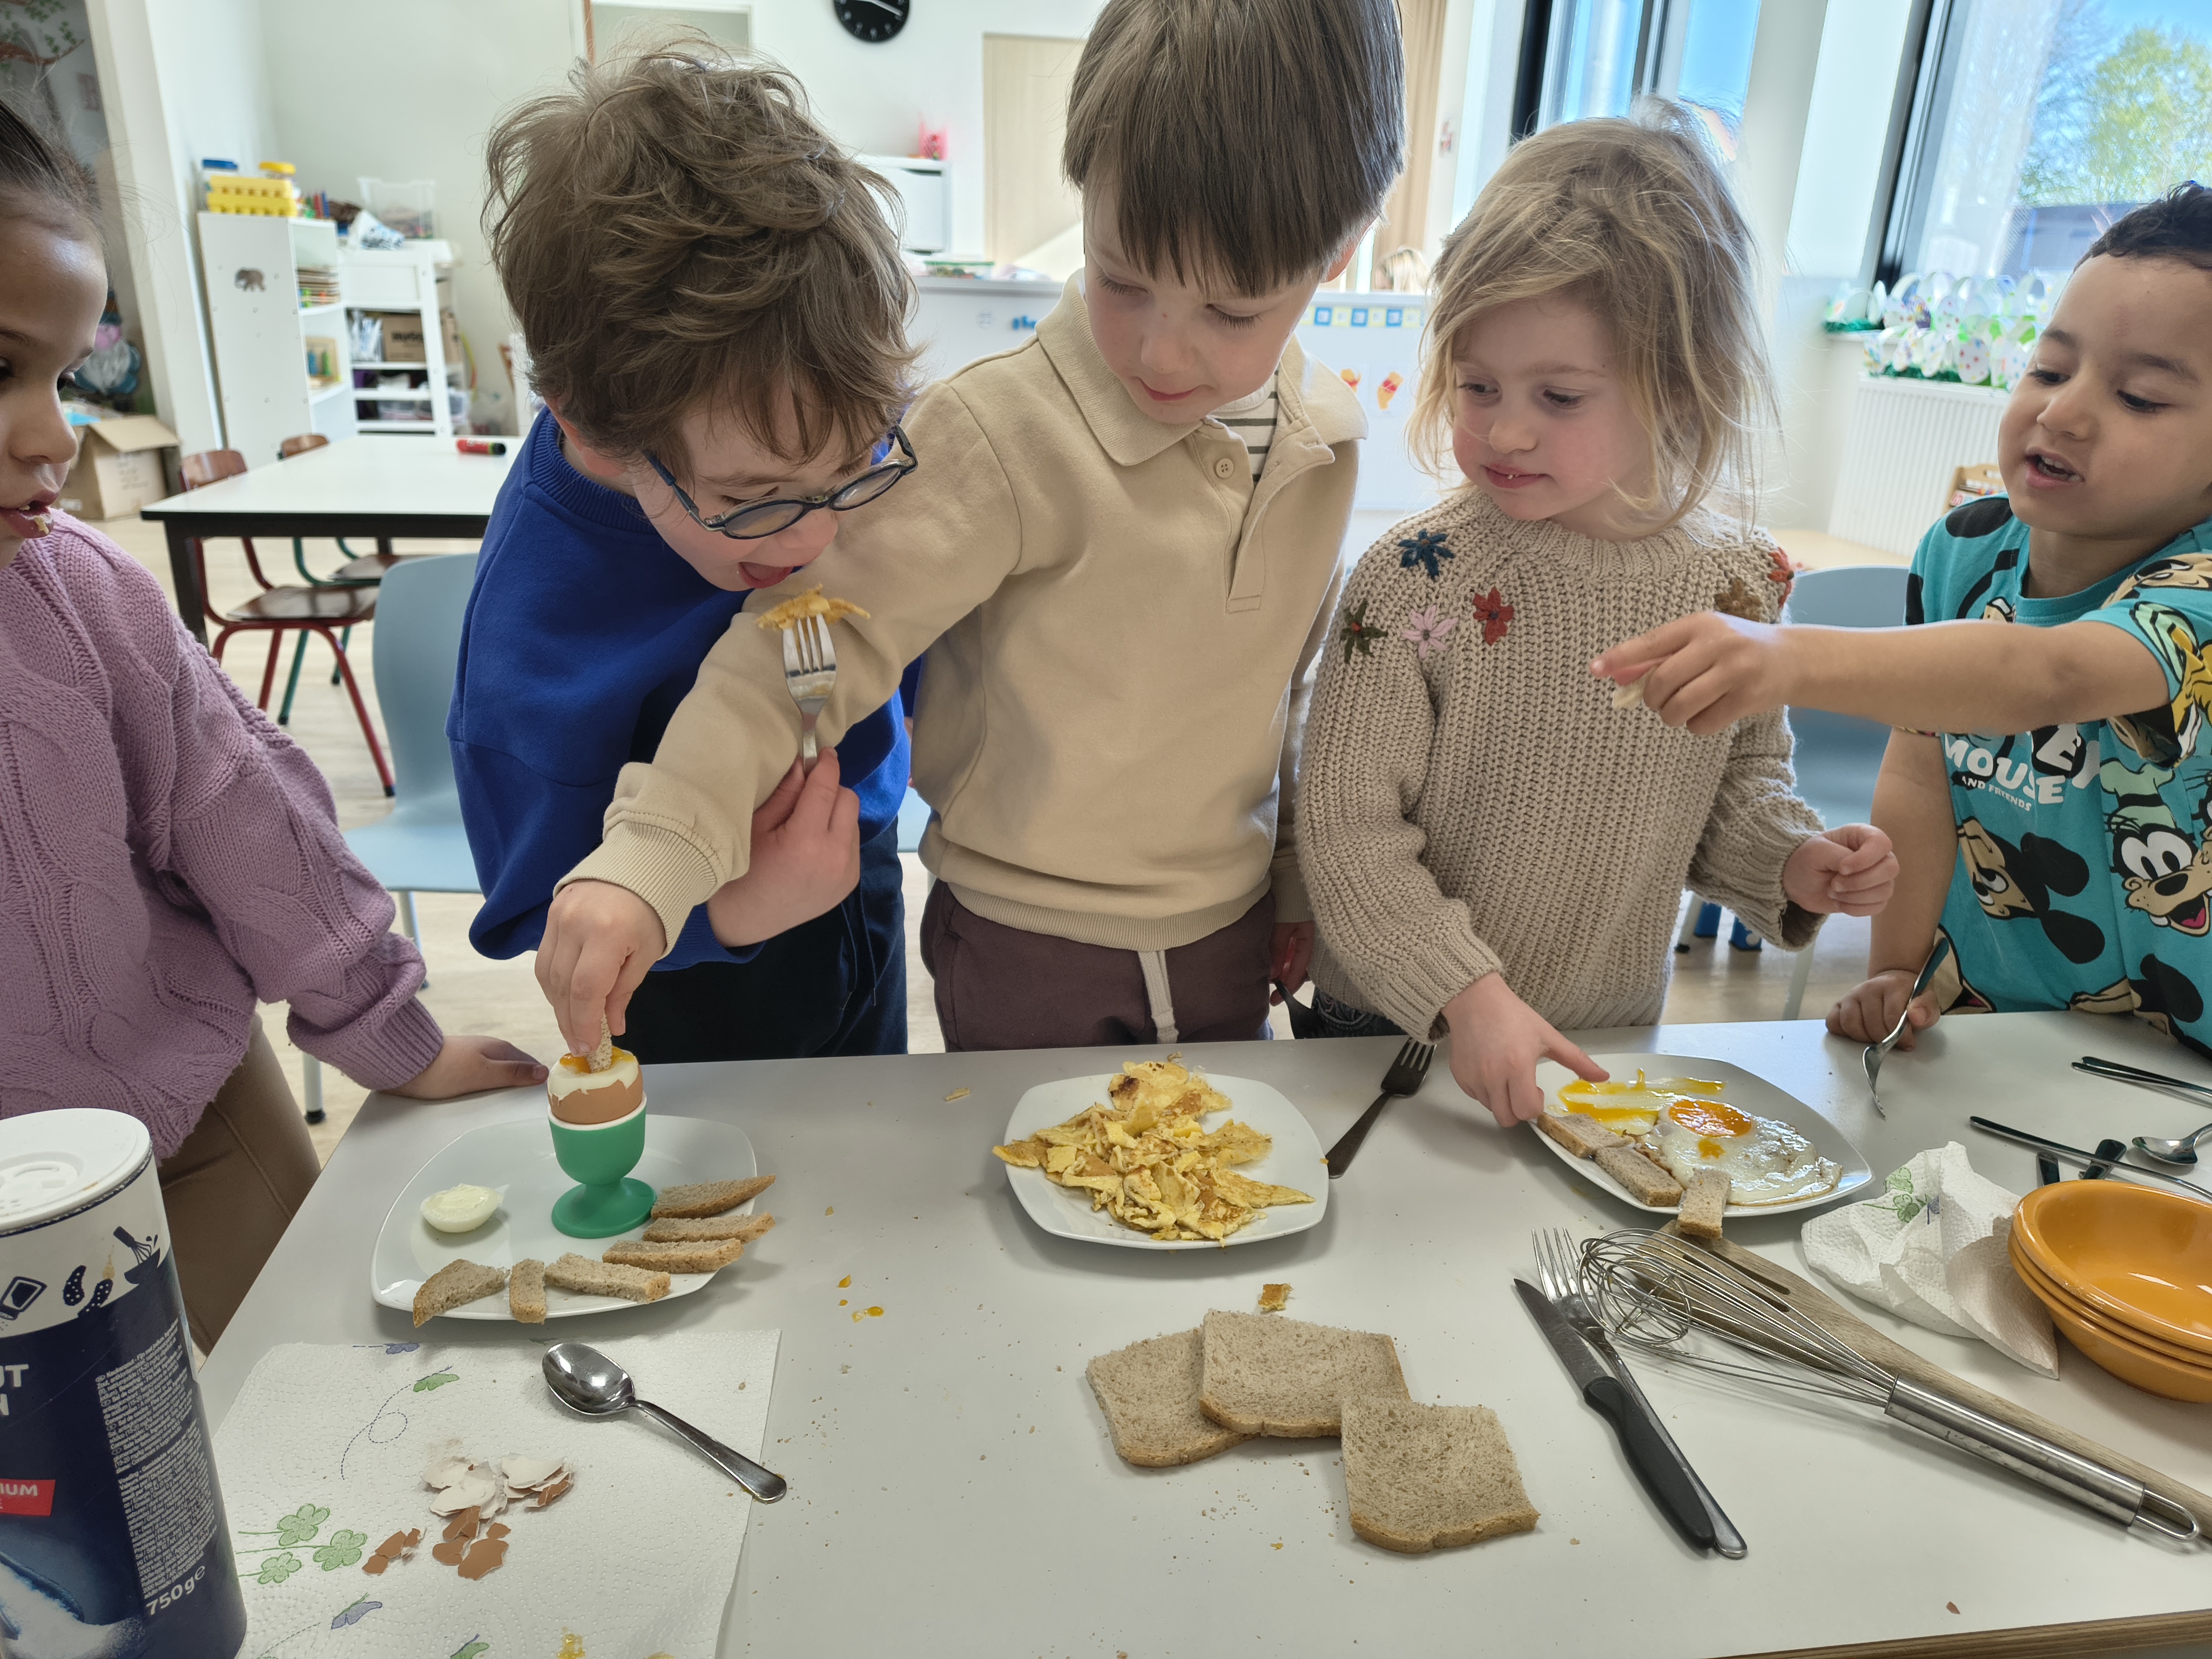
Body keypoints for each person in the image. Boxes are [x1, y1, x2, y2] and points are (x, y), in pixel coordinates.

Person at [532, 0, 1407, 1055]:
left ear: (1340, 252)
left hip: (1229, 935)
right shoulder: (996, 433)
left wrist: (1296, 873)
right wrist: (658, 851)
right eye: (1121, 280)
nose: (1162, 354)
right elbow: (804, 639)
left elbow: (1296, 690)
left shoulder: (1326, 447)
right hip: (1025, 945)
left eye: (1231, 312)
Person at [0, 98, 542, 1345]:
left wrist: (394, 1038)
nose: (54, 437)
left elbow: (246, 825)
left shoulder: (89, 594)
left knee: (302, 1382)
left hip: (182, 1108)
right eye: (0, 371)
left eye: (66, 377)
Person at [1296, 106, 1898, 1127]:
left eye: (1560, 397)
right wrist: (1466, 994)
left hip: (1606, 1041)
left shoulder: (1742, 584)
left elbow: (1737, 783)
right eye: (1478, 385)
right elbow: (1347, 829)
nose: (1504, 430)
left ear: (1680, 386)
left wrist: (1794, 863)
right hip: (1394, 1038)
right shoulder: (1410, 579)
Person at [1594, 183, 2212, 1057]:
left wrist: (1788, 657)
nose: (2063, 412)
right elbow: (1923, 776)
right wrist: (1897, 965)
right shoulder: (1963, 549)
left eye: (2140, 397)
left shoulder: (2199, 590)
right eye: (2049, 369)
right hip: (1998, 1023)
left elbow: (2047, 676)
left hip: (2181, 1052)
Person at [450, 44, 916, 1062]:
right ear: (594, 431)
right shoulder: (536, 637)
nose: (816, 535)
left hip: (861, 871)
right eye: (752, 500)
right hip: (685, 970)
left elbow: (901, 606)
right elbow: (540, 914)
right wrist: (737, 910)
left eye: (854, 467)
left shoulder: (805, 432)